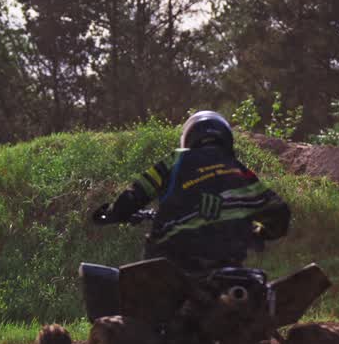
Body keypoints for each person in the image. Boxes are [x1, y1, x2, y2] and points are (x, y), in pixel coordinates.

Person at [94, 111, 291, 270]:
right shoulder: (239, 170)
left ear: (190, 137)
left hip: (174, 259)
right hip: (228, 263)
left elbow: (135, 194)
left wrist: (113, 213)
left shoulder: (176, 161)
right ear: (226, 138)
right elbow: (279, 212)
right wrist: (260, 233)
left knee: (140, 298)